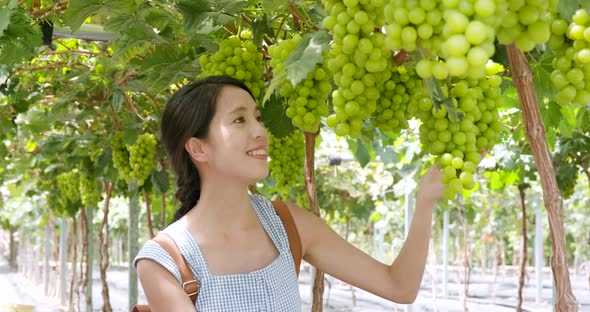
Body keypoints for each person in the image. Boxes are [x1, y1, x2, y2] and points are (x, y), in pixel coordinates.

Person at [133, 75, 445, 311]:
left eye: (257, 117)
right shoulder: (164, 262)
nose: (260, 131)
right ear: (198, 148)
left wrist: (426, 200)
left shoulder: (287, 224)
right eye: (239, 119)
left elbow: (399, 286)